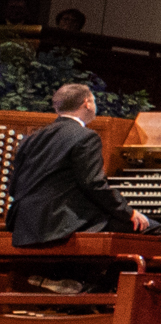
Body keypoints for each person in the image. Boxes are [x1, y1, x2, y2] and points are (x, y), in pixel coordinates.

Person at [11, 83, 147, 245]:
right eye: (94, 101)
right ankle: (103, 271)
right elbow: (94, 184)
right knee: (150, 228)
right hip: (61, 225)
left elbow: (13, 186)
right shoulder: (85, 136)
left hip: (25, 226)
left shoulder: (31, 139)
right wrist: (128, 212)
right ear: (87, 103)